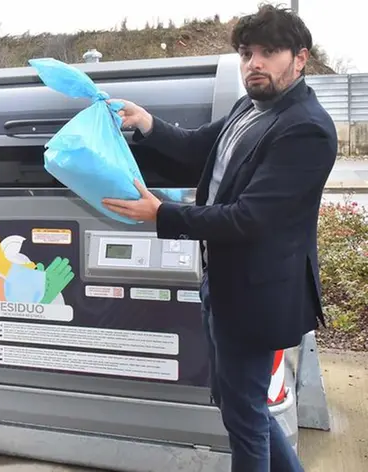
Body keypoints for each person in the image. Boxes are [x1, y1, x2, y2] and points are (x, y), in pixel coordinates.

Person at [101, 5, 334, 471]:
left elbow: (250, 219)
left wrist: (162, 214)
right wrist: (147, 123)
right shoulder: (250, 107)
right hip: (224, 284)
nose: (255, 64)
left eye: (270, 52)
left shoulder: (305, 129)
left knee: (244, 418)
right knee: (240, 404)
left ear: (301, 58)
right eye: (248, 53)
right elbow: (196, 150)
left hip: (257, 295)